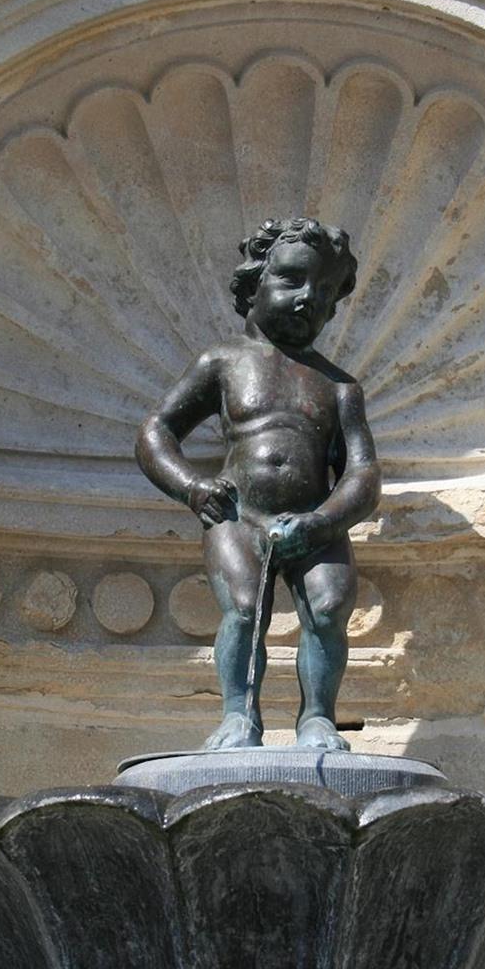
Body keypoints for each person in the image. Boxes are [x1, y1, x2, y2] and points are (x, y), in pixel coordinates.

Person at [136, 217, 381, 750]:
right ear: (254, 284)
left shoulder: (340, 387)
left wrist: (322, 521)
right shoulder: (223, 362)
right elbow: (156, 431)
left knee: (327, 609)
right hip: (237, 513)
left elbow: (363, 474)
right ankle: (238, 715)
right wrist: (192, 487)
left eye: (324, 291)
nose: (308, 298)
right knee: (244, 609)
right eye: (292, 279)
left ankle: (317, 718)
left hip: (314, 519)